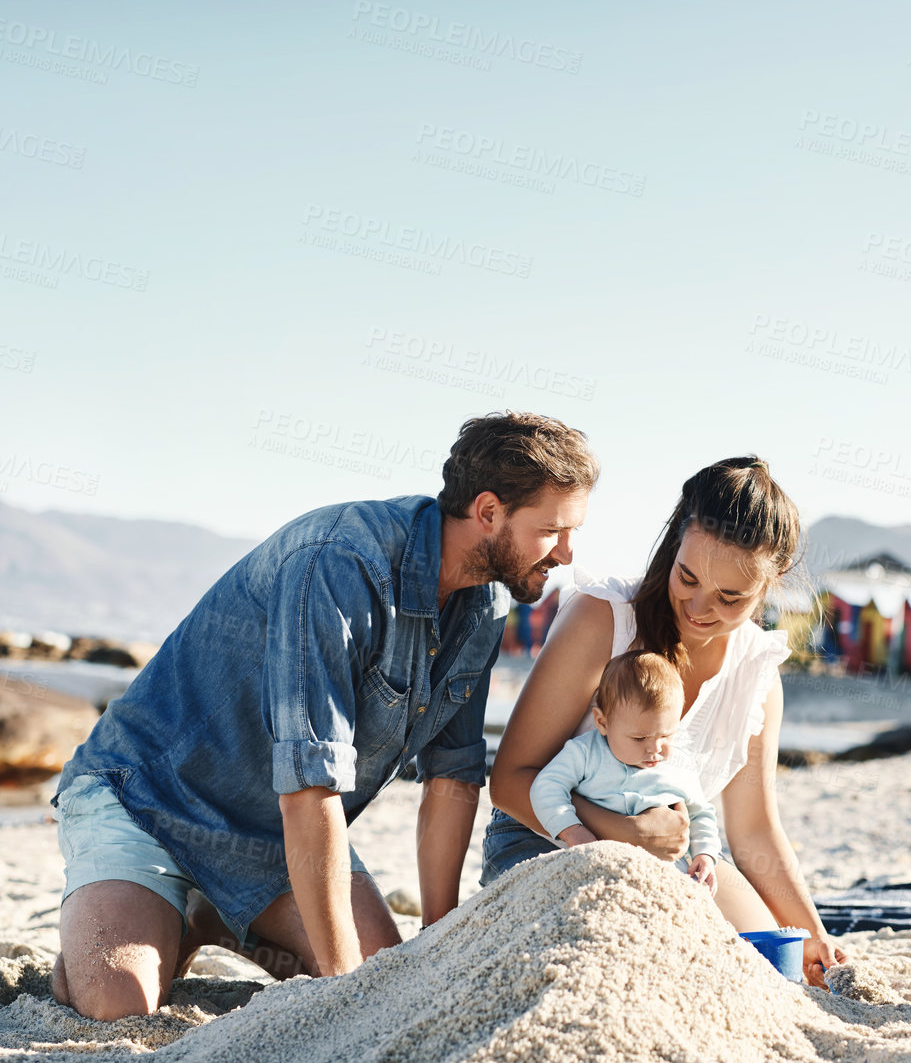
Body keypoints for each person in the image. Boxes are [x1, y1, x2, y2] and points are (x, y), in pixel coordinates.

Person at [51, 412, 598, 1021]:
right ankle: (144, 916)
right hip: (150, 803)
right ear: (489, 512)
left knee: (392, 983)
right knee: (116, 1007)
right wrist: (344, 995)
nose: (568, 554)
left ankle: (216, 917)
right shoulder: (339, 562)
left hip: (276, 841)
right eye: (553, 530)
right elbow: (310, 786)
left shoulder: (490, 602)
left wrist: (439, 948)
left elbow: (452, 780)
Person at [484, 456, 848, 986]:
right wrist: (624, 835)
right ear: (674, 543)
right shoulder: (604, 618)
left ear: (768, 588)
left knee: (770, 970)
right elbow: (509, 781)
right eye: (688, 576)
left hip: (681, 859)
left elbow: (754, 831)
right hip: (549, 841)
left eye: (730, 597)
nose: (699, 608)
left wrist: (812, 933)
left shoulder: (758, 675)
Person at [529, 650, 721, 893]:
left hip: (663, 871)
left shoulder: (679, 765)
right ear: (602, 722)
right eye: (639, 738)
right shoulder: (586, 753)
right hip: (595, 866)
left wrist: (705, 854)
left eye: (666, 735)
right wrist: (572, 831)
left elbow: (701, 813)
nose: (655, 749)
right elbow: (546, 786)